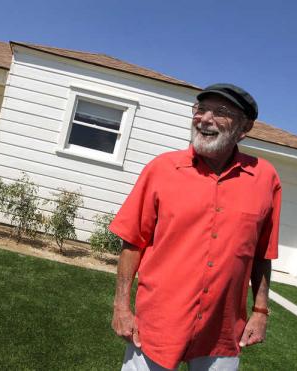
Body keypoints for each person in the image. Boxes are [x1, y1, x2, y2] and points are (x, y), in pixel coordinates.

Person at [109, 83, 282, 371]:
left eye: (221, 112)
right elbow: (132, 242)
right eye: (201, 109)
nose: (205, 118)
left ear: (245, 127)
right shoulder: (162, 169)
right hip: (157, 324)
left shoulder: (265, 178)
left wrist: (261, 310)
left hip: (223, 330)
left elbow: (262, 255)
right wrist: (121, 307)